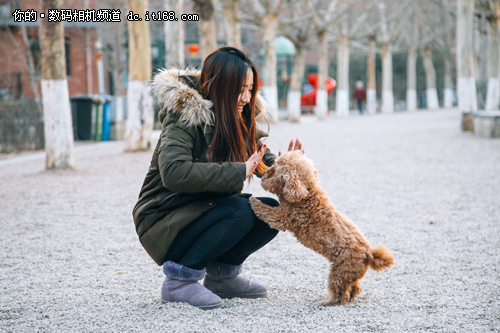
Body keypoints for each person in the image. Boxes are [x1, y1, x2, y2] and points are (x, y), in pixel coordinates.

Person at [132, 47, 305, 310]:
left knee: (271, 213)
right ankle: (178, 282)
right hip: (164, 218)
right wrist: (238, 171)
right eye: (241, 89)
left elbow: (260, 159)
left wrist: (289, 166)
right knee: (240, 211)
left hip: (201, 212)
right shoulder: (184, 117)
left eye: (251, 89)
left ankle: (223, 277)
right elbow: (174, 172)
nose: (247, 98)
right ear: (222, 86)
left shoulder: (237, 118)